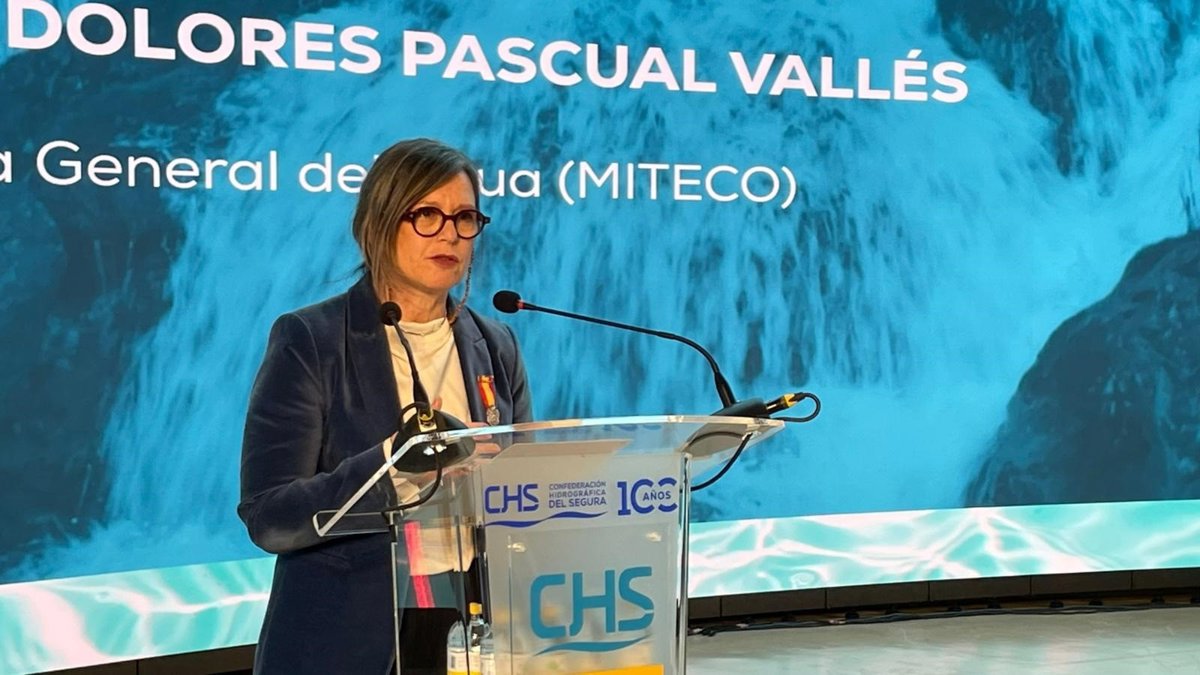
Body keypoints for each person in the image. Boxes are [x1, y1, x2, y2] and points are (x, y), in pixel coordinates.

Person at [238, 138, 532, 674]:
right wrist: (395, 469)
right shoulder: (311, 339)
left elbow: (526, 492)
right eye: (427, 215)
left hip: (476, 630)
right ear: (379, 222)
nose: (450, 233)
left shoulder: (496, 344)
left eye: (465, 217)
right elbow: (270, 519)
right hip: (348, 641)